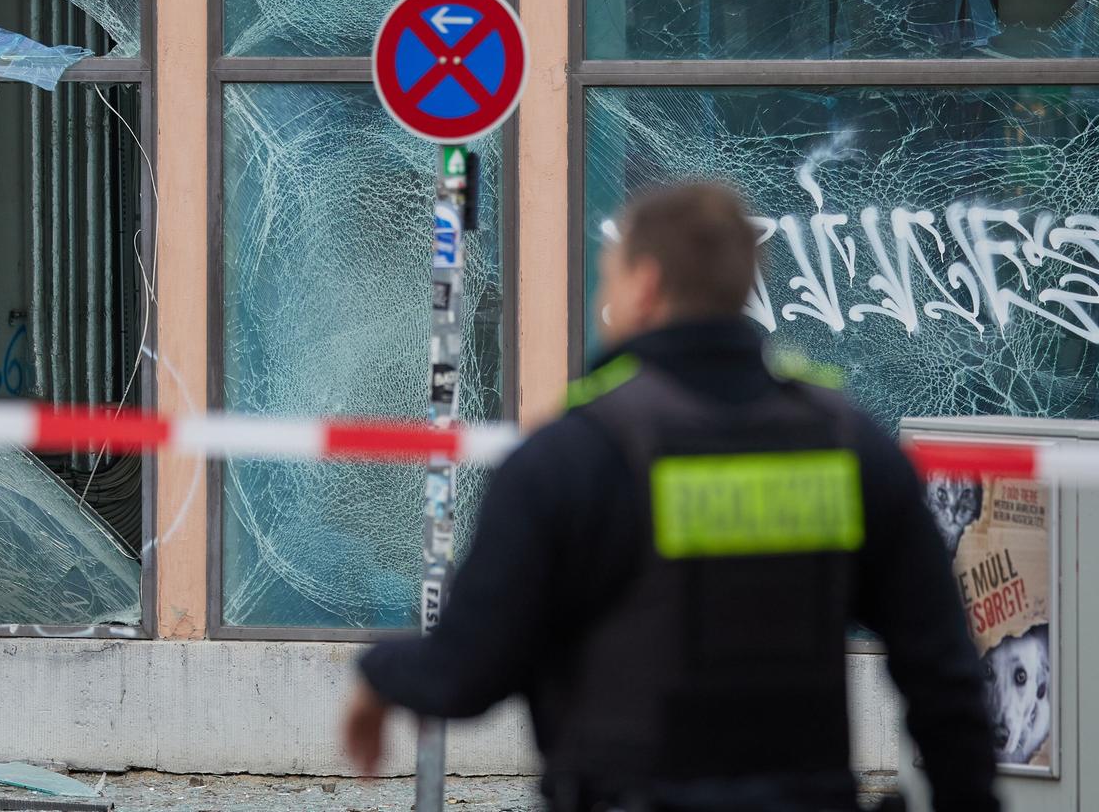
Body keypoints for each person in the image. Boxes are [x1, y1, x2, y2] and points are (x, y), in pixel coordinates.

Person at [342, 181, 998, 812]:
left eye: (610, 276)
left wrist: (380, 678)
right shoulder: (850, 446)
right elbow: (942, 671)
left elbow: (467, 671)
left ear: (647, 285)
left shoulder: (574, 457)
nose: (607, 293)